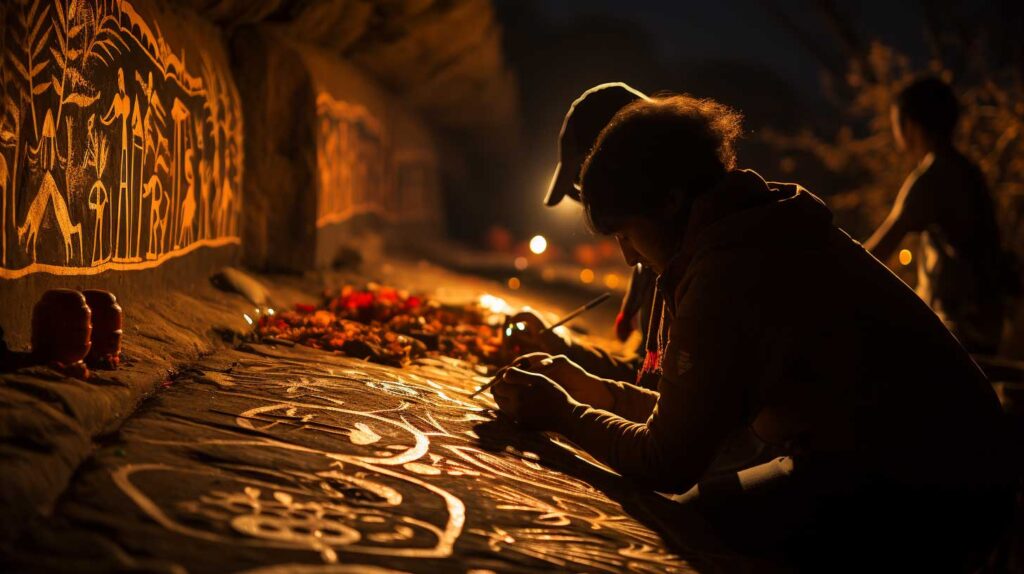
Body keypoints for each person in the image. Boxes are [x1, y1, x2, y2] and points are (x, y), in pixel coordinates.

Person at [490, 94, 1016, 569]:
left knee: (687, 523)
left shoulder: (732, 264)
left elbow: (668, 459)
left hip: (934, 494)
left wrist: (563, 413)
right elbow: (691, 412)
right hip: (940, 470)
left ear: (670, 201)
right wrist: (595, 389)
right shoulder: (748, 224)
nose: (628, 255)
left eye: (627, 233)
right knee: (712, 501)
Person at [865, 76, 1015, 354]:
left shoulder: (932, 178)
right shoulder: (969, 171)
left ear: (909, 125)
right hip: (987, 320)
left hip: (954, 326)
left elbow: (874, 253)